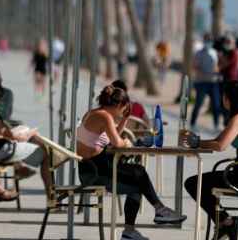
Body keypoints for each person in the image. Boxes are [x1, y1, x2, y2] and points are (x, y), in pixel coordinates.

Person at [77, 85, 186, 240]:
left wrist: (125, 119)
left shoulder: (94, 113)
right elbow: (117, 143)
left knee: (137, 182)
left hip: (91, 168)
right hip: (96, 172)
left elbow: (110, 137)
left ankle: (132, 230)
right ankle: (160, 211)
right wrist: (126, 143)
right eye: (124, 109)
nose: (122, 112)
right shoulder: (105, 116)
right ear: (118, 105)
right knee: (139, 172)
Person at [183, 81, 238, 240]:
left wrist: (197, 143)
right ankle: (226, 224)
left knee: (193, 184)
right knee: (199, 183)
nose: (222, 99)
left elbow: (220, 146)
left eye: (223, 96)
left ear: (228, 99)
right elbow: (219, 140)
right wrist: (197, 141)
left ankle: (227, 222)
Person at [0, 77, 50, 191]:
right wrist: (22, 136)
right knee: (45, 153)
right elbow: (0, 131)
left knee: (28, 134)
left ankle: (20, 168)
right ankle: (51, 197)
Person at [190, 33, 222, 131]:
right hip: (201, 82)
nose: (209, 42)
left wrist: (216, 72)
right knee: (199, 103)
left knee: (216, 104)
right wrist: (204, 71)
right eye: (207, 40)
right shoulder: (198, 53)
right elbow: (194, 66)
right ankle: (193, 123)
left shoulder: (214, 52)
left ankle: (216, 125)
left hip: (213, 82)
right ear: (204, 41)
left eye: (210, 40)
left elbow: (216, 66)